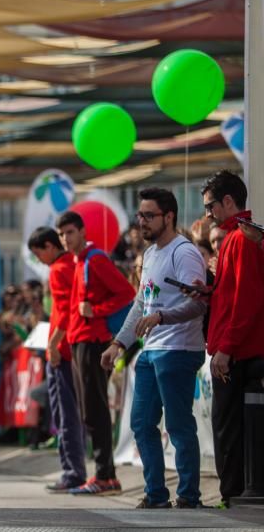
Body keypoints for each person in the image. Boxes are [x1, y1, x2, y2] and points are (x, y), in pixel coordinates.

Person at [100, 187, 208, 509]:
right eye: (140, 216)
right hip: (149, 352)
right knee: (141, 424)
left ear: (169, 216)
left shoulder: (184, 252)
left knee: (177, 424)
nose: (141, 222)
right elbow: (140, 305)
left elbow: (199, 304)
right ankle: (156, 494)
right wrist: (119, 342)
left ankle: (189, 495)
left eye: (149, 216)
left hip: (178, 349)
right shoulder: (149, 254)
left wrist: (163, 316)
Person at [195, 170, 264, 508]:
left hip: (237, 353)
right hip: (234, 349)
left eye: (210, 206)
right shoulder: (236, 238)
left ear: (227, 201)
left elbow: (246, 302)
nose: (208, 213)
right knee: (228, 428)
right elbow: (233, 297)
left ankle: (232, 495)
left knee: (228, 430)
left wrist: (226, 349)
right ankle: (233, 494)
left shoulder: (242, 238)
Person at [55, 211, 136, 496]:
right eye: (62, 234)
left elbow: (127, 294)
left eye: (70, 233)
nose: (66, 239)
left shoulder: (95, 258)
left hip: (93, 342)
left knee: (96, 410)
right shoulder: (78, 261)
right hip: (79, 342)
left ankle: (106, 477)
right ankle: (103, 475)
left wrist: (96, 311)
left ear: (82, 231)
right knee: (89, 411)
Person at [27, 227, 86, 493]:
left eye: (39, 253)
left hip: (62, 351)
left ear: (50, 246)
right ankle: (73, 470)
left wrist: (52, 345)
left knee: (65, 414)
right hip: (70, 347)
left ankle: (72, 472)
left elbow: (63, 312)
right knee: (67, 413)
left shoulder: (60, 269)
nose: (39, 260)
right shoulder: (71, 265)